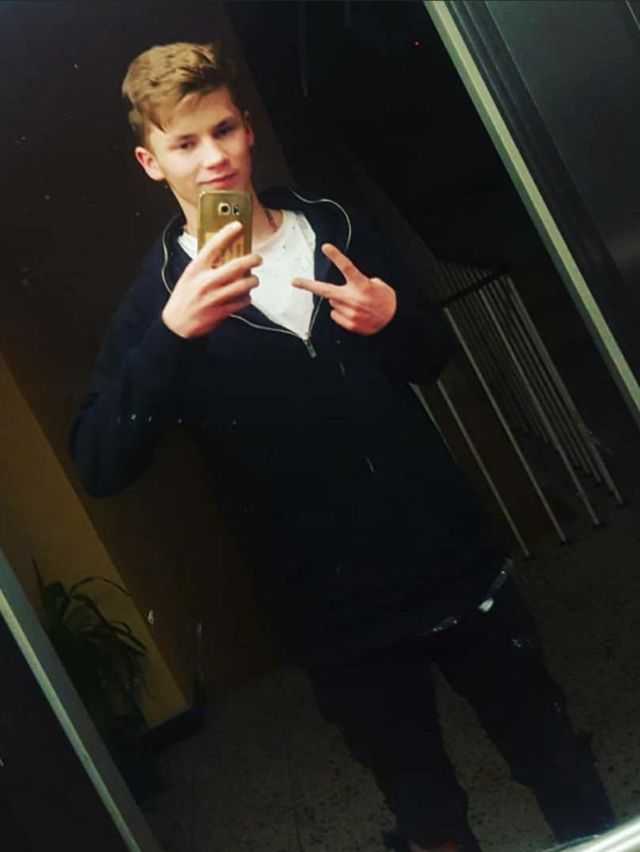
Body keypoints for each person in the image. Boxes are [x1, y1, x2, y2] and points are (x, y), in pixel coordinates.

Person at [69, 41, 615, 852]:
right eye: (185, 143)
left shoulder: (337, 226)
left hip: (456, 566)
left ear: (248, 127)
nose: (214, 158)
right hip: (336, 618)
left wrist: (394, 320)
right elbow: (101, 463)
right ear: (152, 162)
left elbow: (431, 358)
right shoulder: (155, 304)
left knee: (559, 761)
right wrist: (171, 338)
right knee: (428, 816)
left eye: (223, 129)